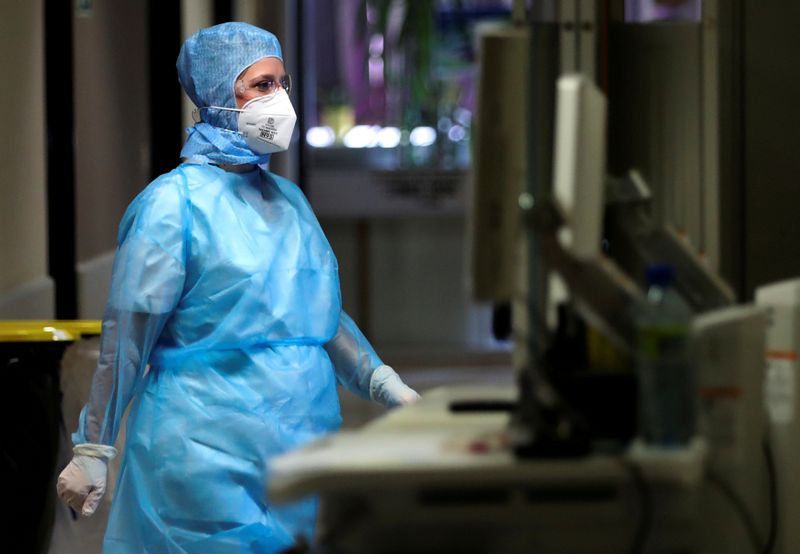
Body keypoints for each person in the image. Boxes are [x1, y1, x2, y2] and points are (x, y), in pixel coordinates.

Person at [56, 22, 420, 553]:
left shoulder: (288, 201)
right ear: (218, 95)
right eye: (262, 85)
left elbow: (313, 312)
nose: (280, 100)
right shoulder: (172, 206)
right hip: (202, 446)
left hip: (299, 443)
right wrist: (94, 446)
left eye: (283, 83)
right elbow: (128, 335)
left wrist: (380, 380)